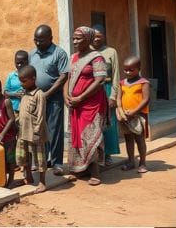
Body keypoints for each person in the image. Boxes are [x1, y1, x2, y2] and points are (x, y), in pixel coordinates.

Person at [64, 26, 109, 186]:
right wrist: (66, 96)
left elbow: (99, 80)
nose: (75, 42)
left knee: (91, 136)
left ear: (89, 40)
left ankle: (95, 172)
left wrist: (81, 97)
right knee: (76, 135)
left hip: (91, 104)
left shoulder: (96, 58)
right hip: (75, 105)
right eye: (74, 38)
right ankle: (78, 168)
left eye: (79, 39)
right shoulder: (73, 57)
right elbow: (68, 78)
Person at [28, 25, 69, 172]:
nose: (38, 43)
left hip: (54, 98)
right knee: (38, 129)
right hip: (36, 99)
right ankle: (41, 160)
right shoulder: (31, 54)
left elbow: (63, 76)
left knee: (54, 130)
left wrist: (47, 94)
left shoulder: (59, 53)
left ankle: (57, 162)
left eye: (41, 40)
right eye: (36, 40)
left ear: (50, 38)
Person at [15, 65, 49, 195]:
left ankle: (42, 182)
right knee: (25, 156)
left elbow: (41, 114)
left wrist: (37, 129)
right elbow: (22, 111)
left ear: (33, 79)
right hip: (24, 131)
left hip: (35, 132)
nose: (21, 83)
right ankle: (28, 176)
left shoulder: (39, 94)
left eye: (24, 81)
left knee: (39, 157)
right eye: (20, 80)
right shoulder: (24, 94)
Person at [116, 56, 152, 174]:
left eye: (131, 70)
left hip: (138, 115)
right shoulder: (122, 83)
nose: (128, 72)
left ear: (139, 69)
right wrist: (121, 111)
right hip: (125, 116)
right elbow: (118, 99)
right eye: (125, 70)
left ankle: (142, 163)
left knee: (140, 139)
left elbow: (146, 99)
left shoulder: (144, 82)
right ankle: (131, 161)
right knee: (128, 139)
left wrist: (134, 111)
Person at [92, 25, 121, 163]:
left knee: (109, 123)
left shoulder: (111, 52)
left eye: (99, 36)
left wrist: (113, 96)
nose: (96, 39)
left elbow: (116, 75)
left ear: (104, 36)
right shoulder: (88, 52)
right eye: (94, 36)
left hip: (107, 88)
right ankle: (96, 153)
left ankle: (108, 153)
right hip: (91, 91)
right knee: (94, 122)